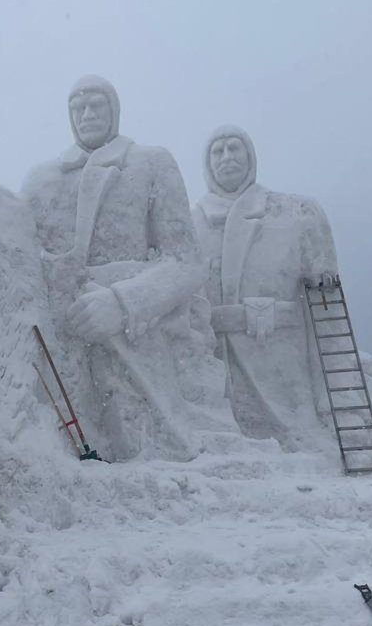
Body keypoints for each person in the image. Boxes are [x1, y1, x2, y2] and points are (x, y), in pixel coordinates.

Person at [22, 75, 233, 462]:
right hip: (63, 336)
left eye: (96, 105)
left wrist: (124, 303)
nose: (86, 114)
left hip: (136, 334)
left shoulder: (150, 162)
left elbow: (186, 261)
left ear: (114, 111)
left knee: (155, 451)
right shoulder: (41, 181)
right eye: (77, 107)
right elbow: (21, 261)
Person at [193, 125, 339, 452]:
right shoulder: (193, 222)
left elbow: (323, 277)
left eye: (235, 148)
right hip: (220, 350)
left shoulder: (293, 211)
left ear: (250, 156)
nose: (227, 158)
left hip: (279, 345)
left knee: (299, 433)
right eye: (218, 151)